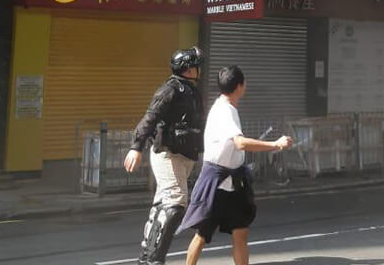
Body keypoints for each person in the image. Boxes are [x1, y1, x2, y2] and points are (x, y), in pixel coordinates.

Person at [179, 65, 292, 265]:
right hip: (217, 183)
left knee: (240, 232)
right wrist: (276, 144)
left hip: (234, 182)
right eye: (244, 82)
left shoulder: (224, 106)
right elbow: (240, 143)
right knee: (203, 234)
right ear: (239, 86)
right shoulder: (225, 111)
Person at [125, 47, 206, 265]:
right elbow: (150, 117)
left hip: (184, 155)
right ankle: (154, 259)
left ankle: (147, 256)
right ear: (188, 68)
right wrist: (136, 147)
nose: (199, 69)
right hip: (168, 154)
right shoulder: (170, 89)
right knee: (175, 203)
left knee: (164, 204)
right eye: (196, 65)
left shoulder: (190, 90)